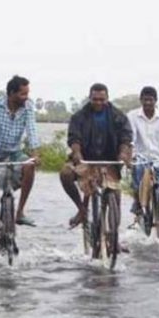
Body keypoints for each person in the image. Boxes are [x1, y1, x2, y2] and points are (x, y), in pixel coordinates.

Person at [0, 75, 40, 256]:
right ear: (11, 94)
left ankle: (20, 211)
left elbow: (32, 130)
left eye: (27, 93)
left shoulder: (28, 107)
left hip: (15, 153)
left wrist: (36, 153)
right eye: (22, 94)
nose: (26, 97)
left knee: (29, 166)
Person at [59, 83, 133, 229]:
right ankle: (81, 209)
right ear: (90, 98)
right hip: (86, 159)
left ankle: (114, 239)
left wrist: (123, 153)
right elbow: (74, 138)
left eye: (102, 99)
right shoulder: (79, 116)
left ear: (107, 99)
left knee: (115, 197)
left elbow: (126, 136)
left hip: (110, 161)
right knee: (65, 173)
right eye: (95, 99)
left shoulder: (118, 116)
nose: (98, 102)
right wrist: (77, 152)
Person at [127, 86, 159, 233]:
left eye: (151, 100)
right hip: (141, 158)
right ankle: (140, 205)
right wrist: (131, 156)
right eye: (145, 100)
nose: (148, 103)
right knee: (138, 172)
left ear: (156, 101)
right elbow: (131, 139)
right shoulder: (132, 116)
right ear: (141, 100)